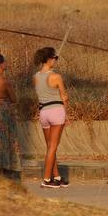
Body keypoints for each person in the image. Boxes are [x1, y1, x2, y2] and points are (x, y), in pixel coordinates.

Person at [34, 47, 69, 188]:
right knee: (53, 147)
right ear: (49, 59)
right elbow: (64, 96)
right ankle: (47, 179)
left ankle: (57, 176)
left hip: (43, 112)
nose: (55, 61)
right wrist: (66, 113)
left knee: (50, 147)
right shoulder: (56, 77)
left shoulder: (35, 77)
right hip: (56, 111)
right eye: (54, 58)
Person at [0, 53, 20, 176]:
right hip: (4, 111)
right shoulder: (4, 82)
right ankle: (6, 166)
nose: (6, 64)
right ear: (1, 65)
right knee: (7, 138)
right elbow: (14, 98)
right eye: (5, 62)